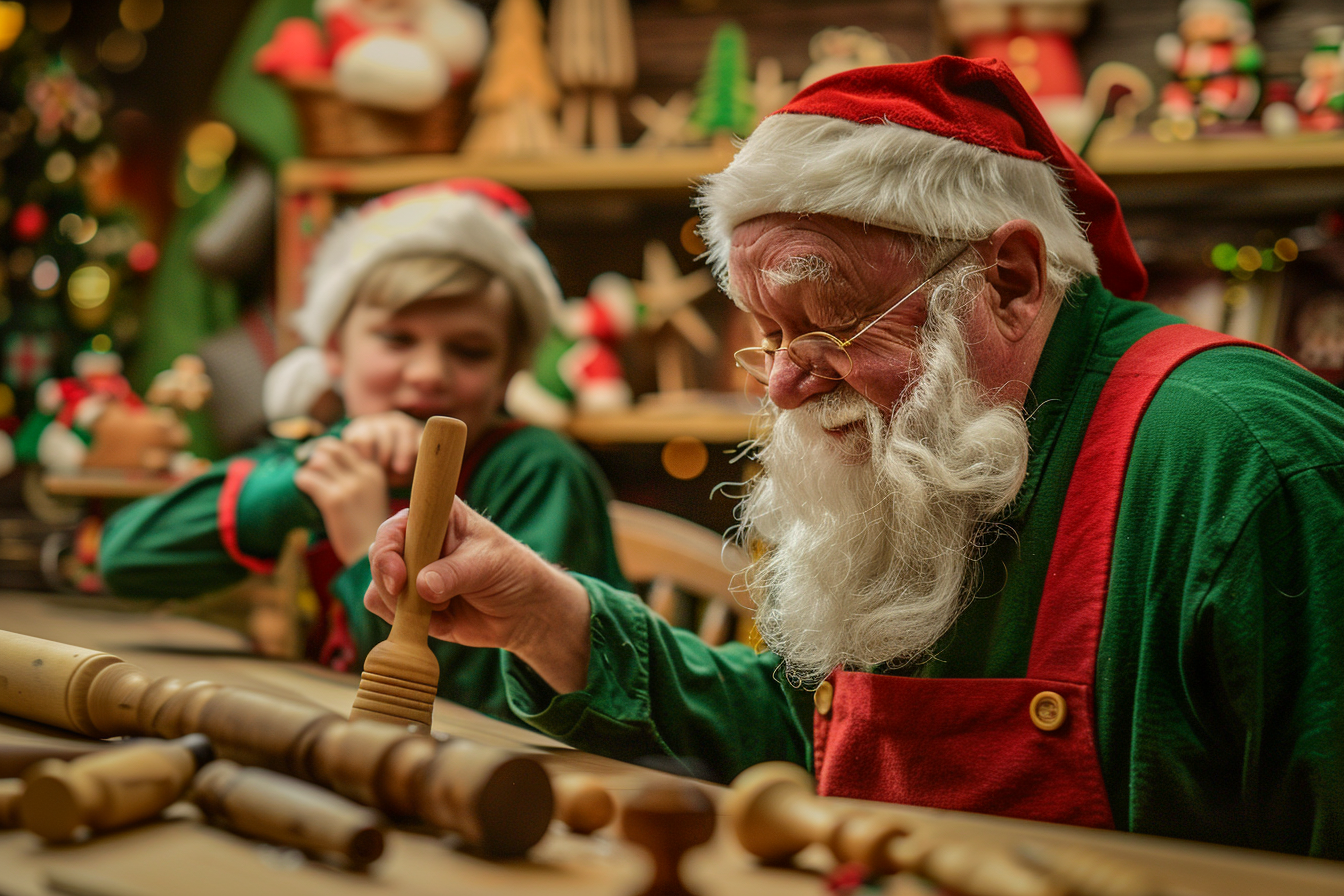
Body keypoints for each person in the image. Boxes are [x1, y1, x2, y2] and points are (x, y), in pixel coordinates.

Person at [361, 57, 1344, 858]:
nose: (785, 383)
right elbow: (829, 740)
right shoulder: (948, 437)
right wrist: (551, 615)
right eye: (766, 335)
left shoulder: (1246, 460)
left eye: (830, 322)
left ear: (1008, 276)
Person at [99, 178, 627, 725]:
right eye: (397, 340)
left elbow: (511, 707)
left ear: (510, 370)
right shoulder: (325, 449)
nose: (427, 374)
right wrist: (303, 484)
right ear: (333, 348)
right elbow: (126, 561)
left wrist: (365, 552)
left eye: (469, 351)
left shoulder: (538, 471)